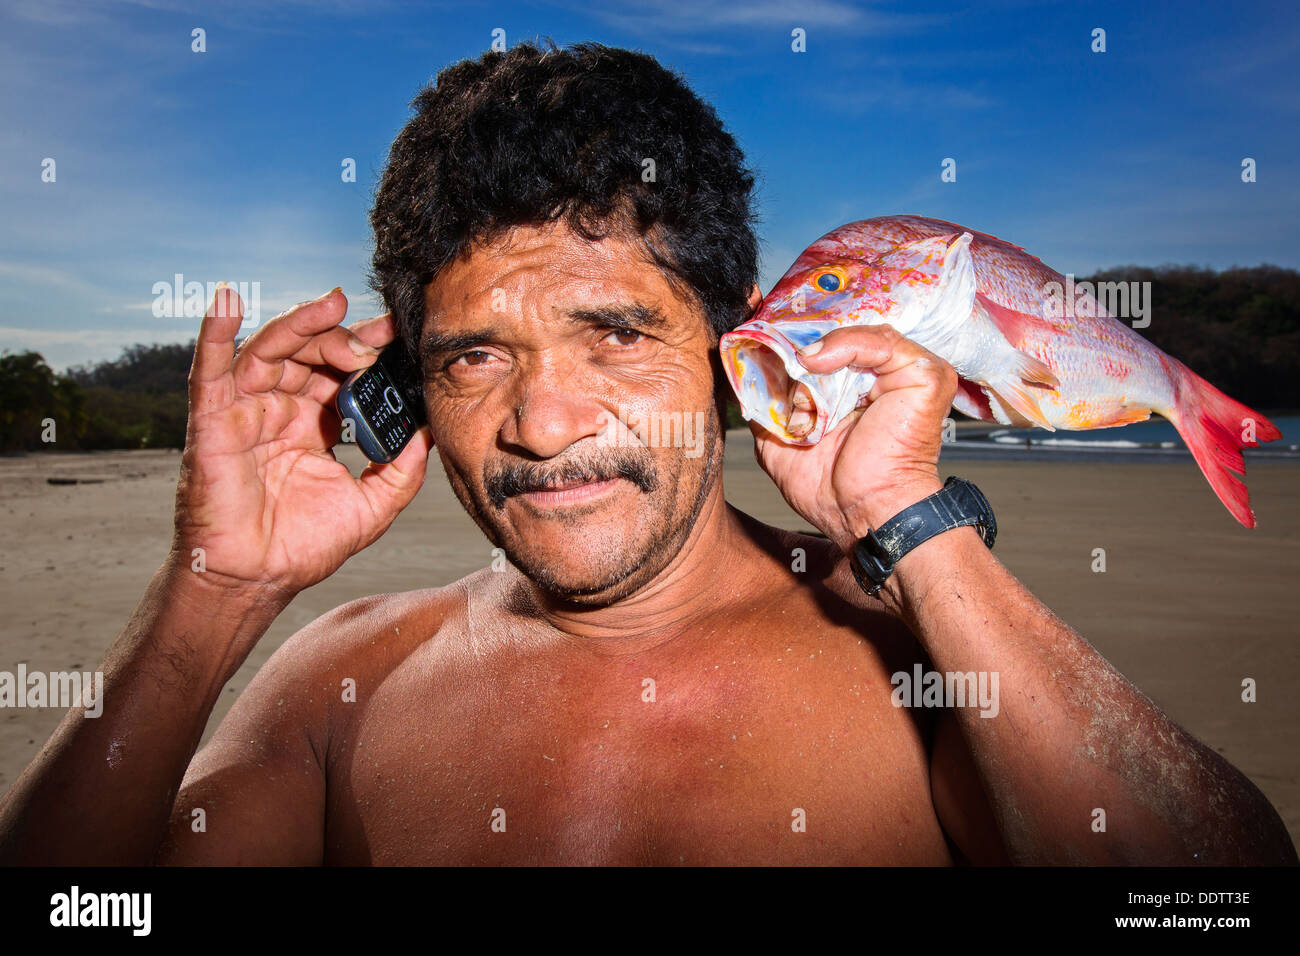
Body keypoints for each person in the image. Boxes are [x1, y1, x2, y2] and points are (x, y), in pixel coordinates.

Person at [0, 42, 1293, 866]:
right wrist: (211, 600)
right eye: (474, 357)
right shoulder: (345, 682)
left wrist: (912, 527)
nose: (544, 423)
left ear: (729, 351)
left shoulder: (919, 664)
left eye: (614, 333)